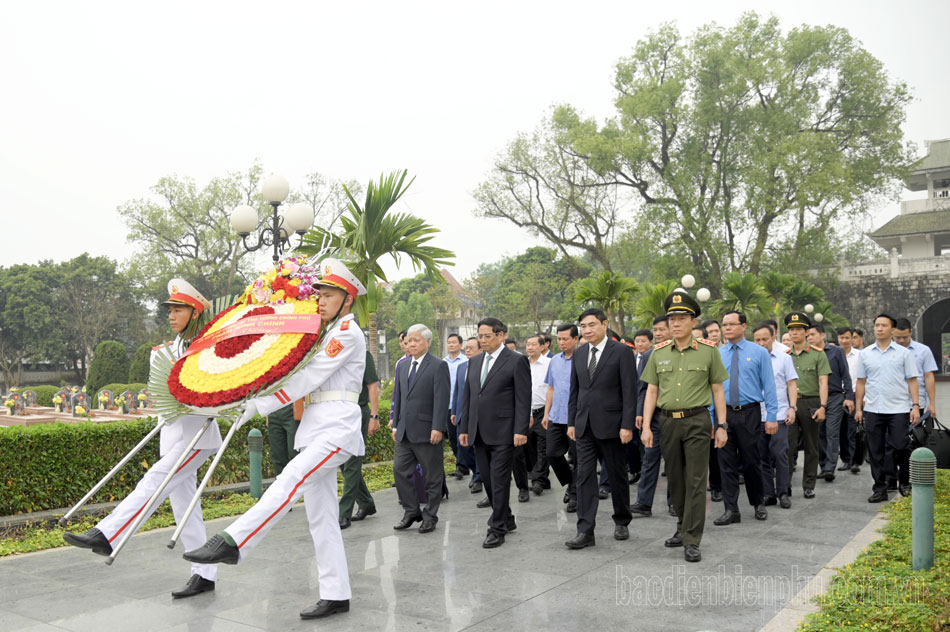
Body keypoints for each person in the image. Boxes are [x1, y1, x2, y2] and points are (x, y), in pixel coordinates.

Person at [183, 258, 367, 620]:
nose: (322, 300)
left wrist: (259, 405)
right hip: (316, 427)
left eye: (330, 295)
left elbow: (308, 377)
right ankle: (336, 592)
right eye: (321, 294)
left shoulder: (347, 331)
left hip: (337, 427)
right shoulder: (325, 332)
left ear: (347, 299)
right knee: (322, 518)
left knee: (288, 480)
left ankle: (235, 540)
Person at [65, 279, 222, 599]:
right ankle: (203, 575)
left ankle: (107, 533)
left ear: (194, 314)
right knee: (185, 508)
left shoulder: (209, 349)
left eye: (178, 310)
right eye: (170, 310)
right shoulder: (166, 351)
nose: (171, 315)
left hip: (199, 435)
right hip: (171, 433)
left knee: (154, 480)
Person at [641, 291, 729, 563]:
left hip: (697, 421)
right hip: (667, 422)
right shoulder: (658, 354)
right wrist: (646, 427)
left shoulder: (708, 352)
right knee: (676, 481)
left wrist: (722, 425)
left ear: (693, 322)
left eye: (682, 319)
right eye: (672, 320)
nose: (675, 324)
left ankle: (692, 539)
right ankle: (681, 526)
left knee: (696, 481)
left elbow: (717, 390)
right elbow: (652, 392)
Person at [564, 309, 636, 549]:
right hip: (584, 425)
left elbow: (629, 391)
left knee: (616, 476)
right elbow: (575, 390)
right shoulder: (580, 352)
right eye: (583, 326)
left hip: (612, 426)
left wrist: (627, 425)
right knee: (584, 476)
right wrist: (572, 421)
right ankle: (585, 530)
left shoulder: (622, 352)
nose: (587, 330)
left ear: (604, 325)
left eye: (592, 325)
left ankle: (622, 520)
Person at [458, 317, 531, 549]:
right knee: (488, 481)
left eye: (487, 335)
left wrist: (520, 429)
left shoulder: (516, 361)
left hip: (504, 431)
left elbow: (523, 398)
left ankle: (496, 527)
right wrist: (465, 428)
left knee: (499, 480)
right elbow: (469, 397)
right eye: (480, 336)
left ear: (501, 335)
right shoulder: (475, 361)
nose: (483, 340)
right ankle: (507, 517)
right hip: (479, 431)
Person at [714, 311, 778, 526]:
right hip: (724, 414)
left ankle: (758, 502)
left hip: (749, 412)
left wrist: (771, 416)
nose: (727, 328)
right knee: (726, 463)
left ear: (743, 326)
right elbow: (712, 388)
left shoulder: (758, 352)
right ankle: (731, 509)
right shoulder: (717, 354)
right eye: (725, 325)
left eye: (732, 324)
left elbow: (769, 385)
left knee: (751, 461)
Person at [391, 324, 451, 534]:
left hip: (428, 431)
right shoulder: (403, 365)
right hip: (405, 431)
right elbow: (399, 397)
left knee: (432, 476)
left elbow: (442, 399)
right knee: (400, 471)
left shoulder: (438, 365)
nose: (411, 344)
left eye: (416, 340)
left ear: (427, 342)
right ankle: (411, 511)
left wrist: (438, 427)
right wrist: (396, 423)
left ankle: (430, 516)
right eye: (409, 340)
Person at [855, 314, 920, 502]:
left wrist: (915, 406)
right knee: (875, 451)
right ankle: (880, 488)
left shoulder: (903, 353)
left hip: (898, 408)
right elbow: (860, 382)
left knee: (901, 445)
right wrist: (859, 409)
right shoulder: (865, 353)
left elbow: (912, 380)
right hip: (874, 408)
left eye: (884, 325)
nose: (879, 328)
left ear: (892, 329)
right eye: (877, 325)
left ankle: (904, 481)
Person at [784, 312, 831, 500]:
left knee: (812, 446)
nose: (794, 333)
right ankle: (784, 485)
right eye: (791, 329)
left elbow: (823, 382)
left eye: (798, 329)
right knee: (788, 446)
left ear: (805, 332)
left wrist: (823, 406)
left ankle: (809, 485)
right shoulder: (785, 356)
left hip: (811, 402)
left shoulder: (817, 355)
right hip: (790, 404)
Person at [753, 323, 797, 509]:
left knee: (780, 454)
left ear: (773, 338)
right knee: (761, 457)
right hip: (756, 415)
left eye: (765, 339)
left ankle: (783, 492)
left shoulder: (784, 358)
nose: (761, 343)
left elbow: (791, 384)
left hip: (779, 413)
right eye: (757, 340)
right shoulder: (750, 359)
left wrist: (792, 407)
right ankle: (768, 494)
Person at [338, 349, 380, 529]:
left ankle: (344, 512)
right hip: (337, 413)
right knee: (343, 462)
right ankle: (367, 503)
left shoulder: (362, 354)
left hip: (357, 412)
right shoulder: (333, 353)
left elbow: (372, 385)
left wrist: (374, 416)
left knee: (353, 462)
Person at [808, 323, 853, 483]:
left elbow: (845, 375)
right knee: (819, 433)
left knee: (832, 432)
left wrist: (849, 396)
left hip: (835, 397)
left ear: (822, 335)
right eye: (808, 336)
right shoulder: (808, 353)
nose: (810, 338)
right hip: (815, 398)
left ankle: (829, 468)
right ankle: (822, 465)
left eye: (812, 334)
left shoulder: (836, 352)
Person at [541, 323, 579, 513]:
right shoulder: (554, 360)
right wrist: (547, 413)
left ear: (576, 339)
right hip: (556, 416)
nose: (562, 342)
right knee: (552, 453)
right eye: (559, 339)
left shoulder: (582, 360)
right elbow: (551, 388)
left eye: (566, 339)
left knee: (578, 458)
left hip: (576, 418)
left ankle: (575, 494)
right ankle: (571, 481)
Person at [451, 337, 481, 492]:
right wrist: (455, 411)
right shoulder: (462, 367)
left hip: (478, 414)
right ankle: (475, 469)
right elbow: (457, 391)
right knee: (463, 448)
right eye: (467, 348)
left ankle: (478, 477)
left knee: (477, 447)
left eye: (471, 348)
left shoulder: (483, 366)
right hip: (462, 414)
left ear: (480, 350)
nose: (468, 350)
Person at [893, 318, 939, 418]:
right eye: (898, 337)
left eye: (905, 337)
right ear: (892, 333)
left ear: (911, 332)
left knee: (916, 432)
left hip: (916, 404)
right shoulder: (886, 351)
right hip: (891, 404)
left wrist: (932, 404)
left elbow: (928, 376)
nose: (901, 340)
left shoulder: (923, 350)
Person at [525, 334, 552, 495]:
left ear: (543, 347)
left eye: (534, 344)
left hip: (543, 410)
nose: (530, 347)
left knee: (543, 446)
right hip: (525, 411)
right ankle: (540, 477)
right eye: (528, 344)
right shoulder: (522, 364)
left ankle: (538, 480)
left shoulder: (549, 364)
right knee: (529, 446)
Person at [836, 327, 862, 473]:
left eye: (847, 337)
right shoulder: (834, 354)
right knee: (841, 430)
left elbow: (864, 378)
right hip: (838, 396)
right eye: (841, 337)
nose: (844, 341)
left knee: (854, 429)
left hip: (855, 395)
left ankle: (855, 461)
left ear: (852, 338)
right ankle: (845, 459)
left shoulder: (859, 355)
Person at [443, 333, 468, 477]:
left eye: (454, 342)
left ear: (460, 345)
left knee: (461, 436)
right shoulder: (443, 362)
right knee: (452, 437)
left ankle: (462, 466)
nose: (451, 344)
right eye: (449, 342)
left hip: (460, 405)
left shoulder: (465, 362)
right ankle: (460, 463)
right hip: (447, 405)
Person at [267, 403, 299, 476]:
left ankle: (298, 485)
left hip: (292, 409)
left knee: (294, 453)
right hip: (273, 410)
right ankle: (281, 486)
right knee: (277, 456)